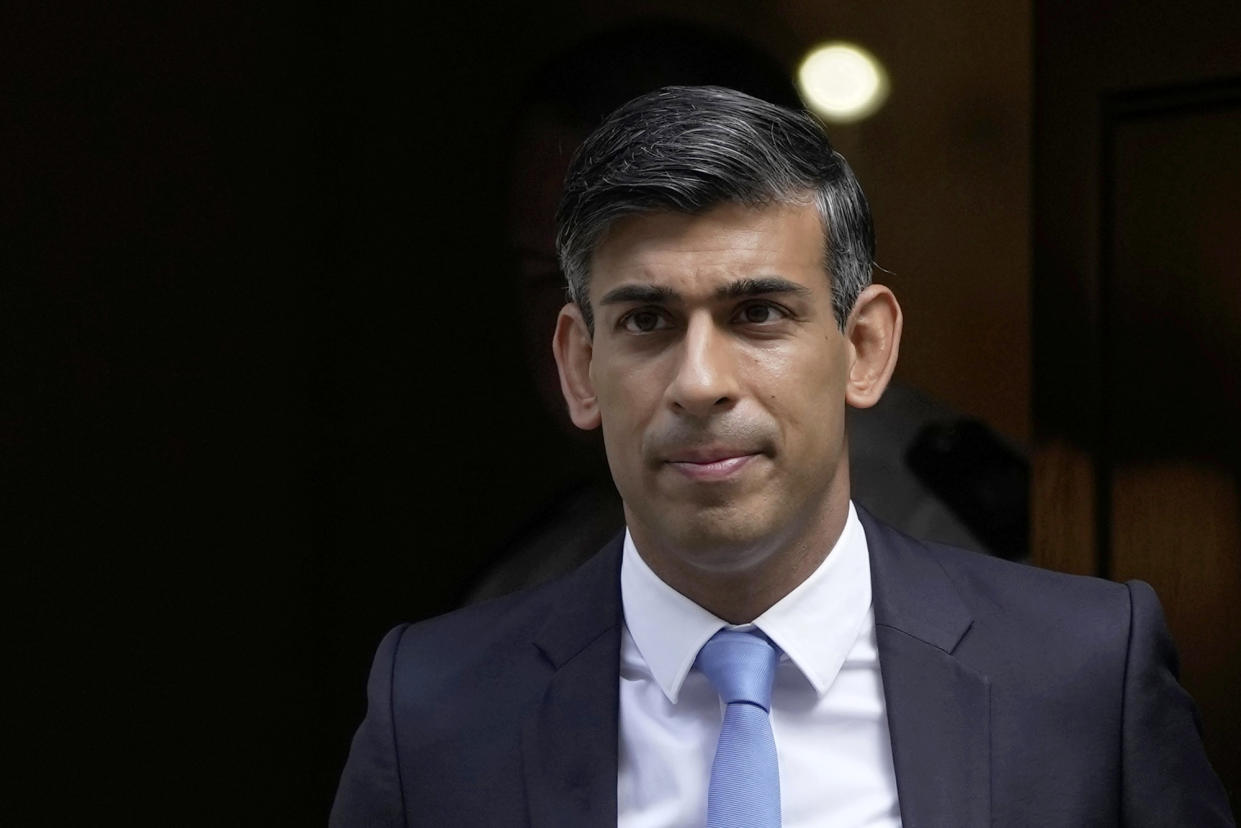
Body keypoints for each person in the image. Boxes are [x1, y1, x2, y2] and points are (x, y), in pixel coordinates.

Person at [331, 86, 1233, 826]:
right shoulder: (438, 706)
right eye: (645, 321)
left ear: (865, 347)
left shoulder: (1079, 672)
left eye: (757, 314)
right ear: (578, 366)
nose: (699, 382)